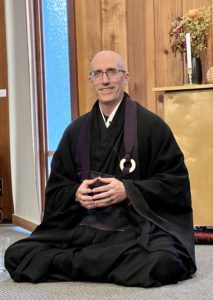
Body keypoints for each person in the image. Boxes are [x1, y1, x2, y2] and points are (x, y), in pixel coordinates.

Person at [5, 50, 197, 287]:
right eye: (98, 73)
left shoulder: (152, 127)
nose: (105, 80)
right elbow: (57, 188)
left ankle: (79, 265)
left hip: (132, 231)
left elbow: (175, 184)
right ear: (91, 80)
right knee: (15, 255)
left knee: (163, 261)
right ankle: (101, 266)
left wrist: (129, 190)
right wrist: (75, 193)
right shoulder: (75, 131)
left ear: (125, 77)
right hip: (84, 228)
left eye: (112, 72)